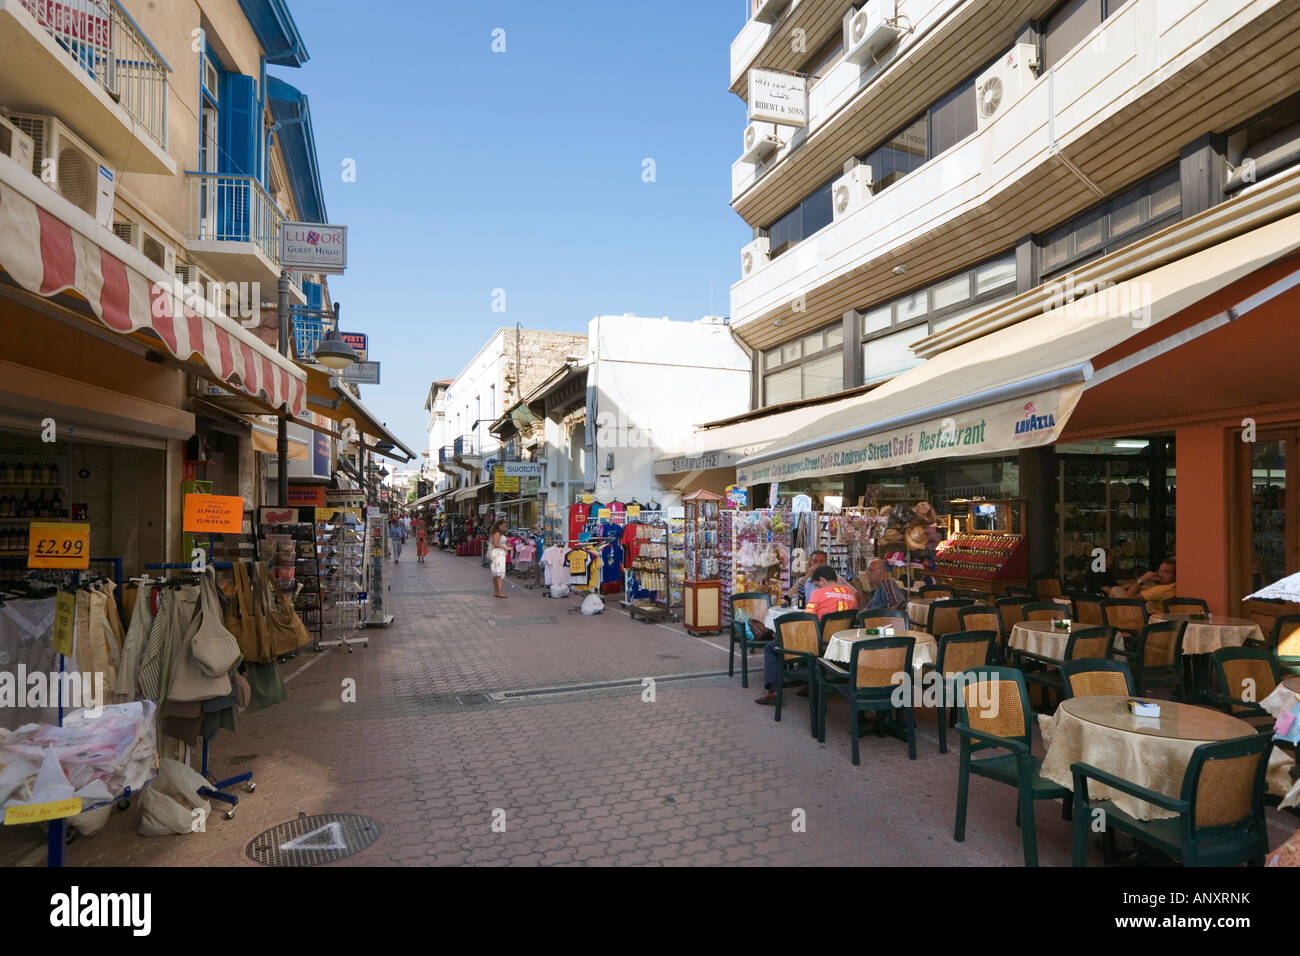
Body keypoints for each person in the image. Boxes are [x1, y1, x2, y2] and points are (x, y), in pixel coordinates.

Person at [756, 565, 858, 705]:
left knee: (770, 648)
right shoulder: (851, 594)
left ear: (822, 580)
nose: (816, 587)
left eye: (816, 585)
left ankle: (773, 691)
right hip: (836, 643)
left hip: (816, 644)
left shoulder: (819, 594)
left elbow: (807, 621)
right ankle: (807, 685)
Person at [1104, 557, 1176, 614]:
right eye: (1160, 571)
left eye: (1166, 572)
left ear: (1175, 575)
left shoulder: (1161, 590)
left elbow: (1127, 600)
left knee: (1115, 590)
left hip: (1142, 617)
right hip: (1155, 612)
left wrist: (1142, 580)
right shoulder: (1173, 586)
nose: (1160, 574)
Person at [489, 518, 509, 599]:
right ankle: (499, 592)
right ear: (499, 525)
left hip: (496, 554)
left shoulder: (496, 532)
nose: (504, 528)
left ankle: (496, 592)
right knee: (500, 574)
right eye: (504, 526)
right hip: (498, 554)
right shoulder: (497, 533)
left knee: (496, 574)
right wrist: (505, 547)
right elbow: (496, 544)